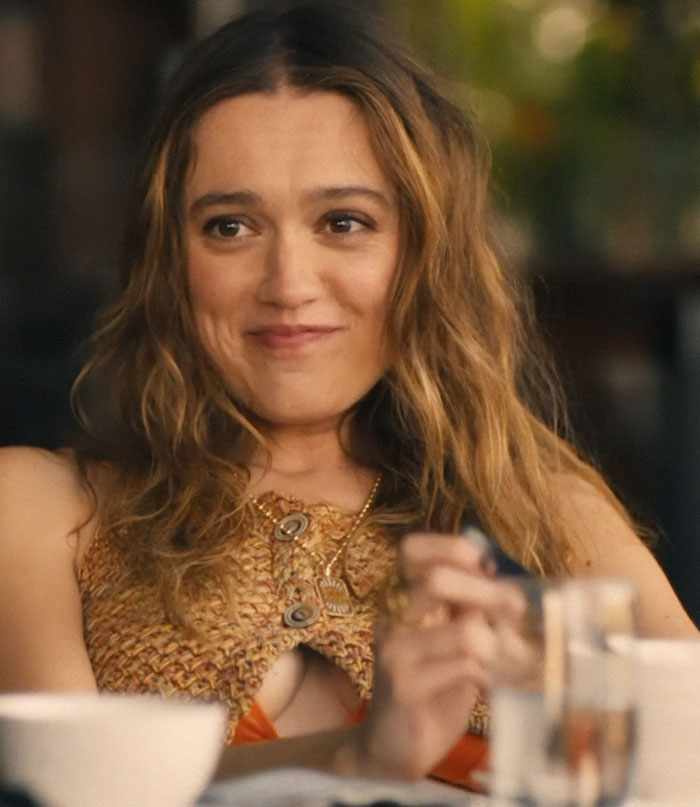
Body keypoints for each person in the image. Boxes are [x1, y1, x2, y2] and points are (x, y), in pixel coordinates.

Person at [0, 0, 697, 789]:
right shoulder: (44, 510)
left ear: (422, 254)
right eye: (231, 227)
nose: (289, 285)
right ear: (168, 258)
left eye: (344, 221)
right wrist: (362, 757)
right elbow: (59, 793)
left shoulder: (541, 508)